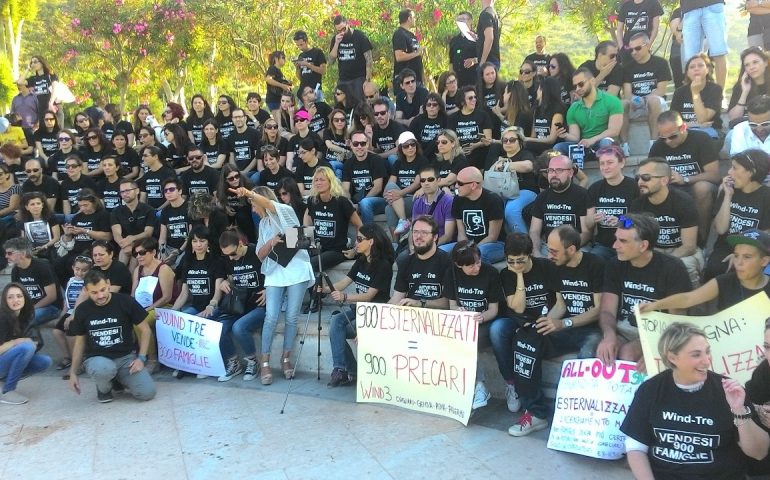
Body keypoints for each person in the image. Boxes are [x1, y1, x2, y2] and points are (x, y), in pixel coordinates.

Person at [621, 322, 769, 478]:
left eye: (708, 352)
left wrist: (739, 410)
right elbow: (635, 448)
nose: (707, 361)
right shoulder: (651, 389)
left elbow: (758, 453)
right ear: (672, 357)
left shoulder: (728, 390)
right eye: (696, 354)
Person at [507, 225, 605, 436]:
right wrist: (544, 322)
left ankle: (581, 422)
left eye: (554, 251)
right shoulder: (556, 266)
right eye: (548, 249)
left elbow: (599, 310)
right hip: (566, 328)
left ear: (571, 249)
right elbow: (561, 304)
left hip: (592, 330)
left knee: (588, 354)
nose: (548, 254)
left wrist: (565, 323)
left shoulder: (595, 264)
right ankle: (536, 413)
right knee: (525, 341)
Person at [230, 186, 314, 385]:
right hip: (275, 272)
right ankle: (265, 362)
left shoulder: (285, 210)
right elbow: (259, 255)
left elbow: (270, 206)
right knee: (271, 317)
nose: (253, 210)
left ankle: (286, 360)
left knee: (292, 317)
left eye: (253, 205)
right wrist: (271, 243)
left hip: (297, 270)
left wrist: (249, 193)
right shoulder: (264, 224)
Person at [595, 213, 692, 367]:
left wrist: (657, 350)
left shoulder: (672, 268)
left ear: (643, 246)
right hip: (623, 328)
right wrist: (609, 336)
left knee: (627, 355)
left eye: (623, 241)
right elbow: (607, 311)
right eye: (616, 239)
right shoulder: (614, 264)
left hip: (657, 332)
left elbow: (677, 321)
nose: (615, 245)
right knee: (600, 352)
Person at [489, 233, 556, 416]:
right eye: (511, 261)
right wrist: (519, 275)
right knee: (497, 330)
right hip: (518, 321)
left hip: (544, 320)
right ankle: (511, 384)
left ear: (530, 255)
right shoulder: (507, 273)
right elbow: (518, 307)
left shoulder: (546, 267)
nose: (516, 265)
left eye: (521, 261)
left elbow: (558, 300)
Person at [68, 270, 156, 403]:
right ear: (86, 290)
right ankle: (104, 388)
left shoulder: (125, 301)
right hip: (98, 359)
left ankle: (117, 380)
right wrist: (73, 372)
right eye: (94, 292)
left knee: (147, 393)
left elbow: (145, 330)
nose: (100, 295)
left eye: (103, 289)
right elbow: (79, 342)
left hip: (126, 358)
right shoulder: (82, 310)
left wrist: (141, 358)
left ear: (108, 284)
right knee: (103, 369)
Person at [641, 229, 770, 318]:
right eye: (736, 256)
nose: (739, 263)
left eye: (747, 257)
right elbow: (688, 298)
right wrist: (655, 305)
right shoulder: (724, 281)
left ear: (764, 261)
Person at [324, 223, 394, 387]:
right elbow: (344, 282)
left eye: (360, 239)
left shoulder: (384, 265)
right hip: (359, 311)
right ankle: (341, 370)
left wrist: (345, 296)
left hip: (375, 314)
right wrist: (325, 289)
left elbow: (369, 296)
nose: (356, 243)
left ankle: (350, 371)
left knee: (337, 327)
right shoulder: (361, 260)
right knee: (335, 321)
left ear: (371, 241)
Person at [443, 240, 502, 411]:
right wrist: (459, 311)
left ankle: (479, 386)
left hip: (485, 321)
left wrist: (480, 318)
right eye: (470, 266)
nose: (476, 268)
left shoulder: (490, 273)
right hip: (463, 322)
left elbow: (493, 309)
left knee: (468, 339)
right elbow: (452, 305)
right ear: (458, 265)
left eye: (478, 262)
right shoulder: (452, 274)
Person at [650, 111, 720, 246]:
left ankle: (701, 241)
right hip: (670, 188)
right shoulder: (658, 145)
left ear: (683, 128)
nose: (668, 141)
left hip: (695, 186)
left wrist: (685, 179)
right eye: (663, 137)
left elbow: (714, 175)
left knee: (702, 188)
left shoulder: (701, 139)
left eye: (672, 136)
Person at [630, 157, 703, 287]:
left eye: (646, 177)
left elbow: (689, 246)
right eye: (638, 178)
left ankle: (693, 305)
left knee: (685, 267)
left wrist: (663, 262)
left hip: (681, 251)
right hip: (652, 250)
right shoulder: (637, 204)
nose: (640, 182)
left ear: (664, 180)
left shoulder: (684, 202)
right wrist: (622, 223)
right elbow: (629, 231)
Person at [707, 149, 770, 280]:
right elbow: (721, 228)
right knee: (716, 267)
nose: (729, 172)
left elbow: (765, 236)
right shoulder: (728, 190)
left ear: (752, 172)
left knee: (745, 271)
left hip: (755, 249)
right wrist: (727, 196)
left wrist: (741, 255)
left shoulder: (766, 196)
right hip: (726, 246)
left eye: (735, 168)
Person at [554, 68, 623, 162]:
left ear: (592, 81)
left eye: (581, 84)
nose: (577, 89)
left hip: (605, 144)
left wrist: (592, 140)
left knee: (605, 142)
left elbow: (614, 131)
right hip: (585, 146)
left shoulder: (612, 101)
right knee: (558, 147)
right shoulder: (574, 108)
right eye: (575, 86)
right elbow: (575, 138)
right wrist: (565, 135)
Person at [439, 166, 505, 263]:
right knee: (441, 252)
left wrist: (471, 250)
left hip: (495, 245)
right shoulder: (458, 200)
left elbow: (492, 236)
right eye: (456, 182)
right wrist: (466, 247)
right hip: (467, 244)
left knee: (479, 253)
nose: (456, 186)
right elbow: (461, 233)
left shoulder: (493, 200)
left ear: (473, 185)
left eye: (460, 183)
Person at [0, 283, 52, 405]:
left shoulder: (27, 315)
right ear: (4, 300)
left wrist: (27, 343)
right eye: (10, 297)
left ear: (25, 298)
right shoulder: (2, 317)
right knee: (26, 347)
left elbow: (36, 342)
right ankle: (8, 391)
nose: (15, 300)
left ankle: (3, 382)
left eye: (19, 296)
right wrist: (15, 342)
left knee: (45, 361)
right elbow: (25, 345)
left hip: (6, 361)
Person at [529, 155, 590, 257]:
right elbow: (534, 231)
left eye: (559, 170)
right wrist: (536, 251)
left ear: (570, 173)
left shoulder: (582, 195)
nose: (554, 174)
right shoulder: (542, 197)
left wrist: (564, 250)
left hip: (575, 247)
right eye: (551, 170)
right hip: (548, 248)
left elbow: (586, 233)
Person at [620, 33, 672, 153]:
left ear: (648, 46)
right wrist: (637, 100)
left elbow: (661, 90)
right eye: (631, 49)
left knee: (653, 100)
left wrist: (645, 99)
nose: (634, 52)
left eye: (637, 48)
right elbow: (627, 94)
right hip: (635, 102)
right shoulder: (627, 67)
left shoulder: (661, 63)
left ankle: (653, 143)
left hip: (656, 101)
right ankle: (625, 145)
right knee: (622, 104)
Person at [586, 145, 639, 260]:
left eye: (610, 162)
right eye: (602, 163)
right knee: (592, 260)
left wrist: (622, 223)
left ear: (622, 163)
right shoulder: (595, 188)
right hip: (603, 245)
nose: (605, 167)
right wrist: (593, 219)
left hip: (630, 243)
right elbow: (588, 224)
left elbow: (641, 223)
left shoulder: (634, 187)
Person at [130, 238, 174, 373]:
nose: (139, 256)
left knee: (140, 322)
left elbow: (167, 296)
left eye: (142, 253)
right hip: (141, 307)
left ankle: (152, 360)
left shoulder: (163, 269)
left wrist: (149, 308)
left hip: (163, 306)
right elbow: (133, 292)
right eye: (136, 254)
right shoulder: (138, 269)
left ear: (153, 252)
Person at [388, 215, 451, 308]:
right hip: (410, 317)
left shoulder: (446, 261)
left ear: (435, 237)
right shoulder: (406, 261)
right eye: (415, 232)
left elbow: (449, 303)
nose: (418, 236)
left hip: (437, 318)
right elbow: (397, 298)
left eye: (424, 233)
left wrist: (421, 303)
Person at [485, 126, 538, 234]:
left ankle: (524, 243)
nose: (508, 142)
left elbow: (528, 166)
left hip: (525, 191)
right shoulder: (498, 158)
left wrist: (504, 165)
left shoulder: (525, 154)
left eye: (512, 140)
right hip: (503, 192)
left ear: (520, 141)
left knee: (511, 210)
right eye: (505, 140)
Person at [5, 237, 62, 327]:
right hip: (28, 308)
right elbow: (15, 294)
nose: (6, 256)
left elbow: (51, 297)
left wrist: (30, 309)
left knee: (24, 319)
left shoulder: (42, 267)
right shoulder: (15, 270)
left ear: (22, 254)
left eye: (10, 253)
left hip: (51, 307)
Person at [51, 255, 92, 373]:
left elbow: (84, 301)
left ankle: (77, 362)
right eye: (77, 269)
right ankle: (68, 357)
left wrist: (72, 315)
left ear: (89, 271)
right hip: (69, 311)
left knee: (70, 334)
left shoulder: (87, 283)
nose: (80, 272)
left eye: (84, 270)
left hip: (81, 313)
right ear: (73, 267)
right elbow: (67, 300)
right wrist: (63, 315)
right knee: (57, 332)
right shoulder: (70, 280)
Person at [670, 53, 724, 140]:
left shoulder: (715, 89)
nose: (696, 69)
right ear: (687, 73)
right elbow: (673, 122)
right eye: (692, 67)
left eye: (700, 66)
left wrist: (695, 93)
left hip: (710, 132)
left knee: (700, 138)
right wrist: (696, 125)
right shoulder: (679, 92)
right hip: (685, 130)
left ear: (707, 70)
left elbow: (703, 119)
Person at [385, 131, 428, 237]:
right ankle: (396, 243)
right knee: (388, 207)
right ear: (401, 149)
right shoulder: (398, 162)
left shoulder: (422, 161)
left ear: (416, 145)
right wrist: (387, 195)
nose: (410, 148)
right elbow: (391, 182)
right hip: (399, 198)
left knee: (390, 207)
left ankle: (403, 220)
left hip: (415, 197)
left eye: (412, 144)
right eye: (406, 146)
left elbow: (417, 183)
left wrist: (399, 194)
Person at [341, 131, 386, 225]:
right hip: (356, 201)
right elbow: (345, 189)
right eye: (356, 144)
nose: (359, 147)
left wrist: (360, 204)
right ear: (351, 145)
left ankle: (368, 235)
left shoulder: (376, 160)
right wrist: (349, 203)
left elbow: (378, 187)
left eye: (362, 143)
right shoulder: (348, 164)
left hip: (377, 200)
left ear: (367, 144)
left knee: (365, 203)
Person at [681, 0, 728, 88]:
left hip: (713, 4)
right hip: (689, 8)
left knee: (719, 53)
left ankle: (719, 96)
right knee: (691, 60)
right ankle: (696, 97)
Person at [110, 179, 157, 265]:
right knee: (125, 252)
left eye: (127, 190)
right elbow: (116, 233)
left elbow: (148, 233)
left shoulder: (148, 210)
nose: (124, 194)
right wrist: (124, 245)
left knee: (136, 254)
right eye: (122, 192)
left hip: (143, 244)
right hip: (124, 246)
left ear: (137, 191)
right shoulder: (116, 211)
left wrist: (132, 239)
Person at [328, 15, 373, 103]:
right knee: (340, 105)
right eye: (339, 30)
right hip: (343, 79)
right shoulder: (336, 39)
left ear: (348, 24)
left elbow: (369, 59)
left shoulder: (360, 36)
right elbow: (330, 61)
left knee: (359, 106)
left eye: (344, 29)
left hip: (358, 79)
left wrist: (367, 81)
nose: (342, 32)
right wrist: (336, 44)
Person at [447, 86, 493, 170]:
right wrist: (459, 149)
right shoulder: (453, 118)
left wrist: (475, 146)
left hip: (480, 159)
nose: (474, 99)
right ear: (462, 101)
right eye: (470, 98)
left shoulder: (483, 115)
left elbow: (488, 139)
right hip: (459, 160)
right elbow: (449, 140)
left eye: (475, 97)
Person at [728, 47, 770, 128]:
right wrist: (744, 92)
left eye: (755, 62)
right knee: (730, 136)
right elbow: (733, 119)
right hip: (747, 128)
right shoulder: (740, 87)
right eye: (747, 65)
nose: (751, 67)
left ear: (765, 62)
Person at [217, 165, 257, 243]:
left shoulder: (248, 184)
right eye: (231, 178)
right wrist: (225, 207)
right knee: (220, 215)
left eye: (237, 176)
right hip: (230, 211)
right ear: (225, 180)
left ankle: (252, 242)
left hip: (246, 210)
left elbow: (255, 200)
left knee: (242, 216)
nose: (235, 180)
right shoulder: (222, 188)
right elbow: (219, 202)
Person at [18, 191, 61, 259]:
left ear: (42, 205)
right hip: (32, 249)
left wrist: (44, 247)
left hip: (50, 247)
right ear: (27, 207)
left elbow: (56, 237)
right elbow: (23, 239)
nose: (36, 206)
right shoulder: (23, 221)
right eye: (32, 204)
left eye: (38, 203)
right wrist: (30, 250)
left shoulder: (51, 217)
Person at [392, 9, 424, 93]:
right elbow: (399, 56)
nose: (415, 19)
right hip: (406, 80)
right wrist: (417, 53)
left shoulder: (411, 35)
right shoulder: (399, 34)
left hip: (416, 78)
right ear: (409, 18)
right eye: (414, 17)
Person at [158, 178, 188, 267]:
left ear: (180, 191)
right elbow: (162, 237)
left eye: (171, 189)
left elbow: (191, 236)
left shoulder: (189, 208)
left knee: (179, 265)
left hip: (186, 247)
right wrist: (162, 253)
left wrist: (179, 251)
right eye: (165, 190)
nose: (168, 192)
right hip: (169, 248)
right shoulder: (165, 211)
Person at [138, 145, 176, 211]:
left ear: (155, 157)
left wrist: (158, 210)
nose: (142, 159)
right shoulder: (146, 176)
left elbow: (173, 196)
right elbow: (143, 198)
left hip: (167, 211)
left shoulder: (168, 173)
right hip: (151, 212)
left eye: (145, 156)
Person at [370, 99, 406, 167]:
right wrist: (369, 138)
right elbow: (372, 150)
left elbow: (399, 149)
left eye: (382, 113)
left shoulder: (397, 127)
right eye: (376, 114)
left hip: (397, 161)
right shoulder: (373, 129)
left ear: (388, 113)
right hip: (382, 162)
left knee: (392, 158)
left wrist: (379, 156)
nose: (379, 116)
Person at [292, 30, 327, 98]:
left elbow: (323, 71)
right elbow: (300, 77)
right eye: (297, 45)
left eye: (301, 44)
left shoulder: (318, 52)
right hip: (303, 91)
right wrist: (297, 68)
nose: (300, 47)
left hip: (316, 90)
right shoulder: (301, 55)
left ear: (306, 41)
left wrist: (307, 64)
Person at [449, 12, 478, 88]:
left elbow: (485, 57)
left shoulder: (478, 38)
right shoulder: (454, 40)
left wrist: (474, 60)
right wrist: (451, 79)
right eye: (459, 20)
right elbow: (451, 62)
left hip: (474, 81)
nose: (461, 22)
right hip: (458, 82)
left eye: (463, 19)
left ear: (470, 21)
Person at [265, 51, 292, 117]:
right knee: (278, 121)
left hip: (279, 99)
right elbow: (268, 79)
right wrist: (282, 85)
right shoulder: (272, 68)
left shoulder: (278, 70)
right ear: (276, 59)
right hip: (273, 99)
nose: (284, 60)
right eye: (283, 58)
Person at [476, 0, 500, 68]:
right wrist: (476, 36)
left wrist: (482, 62)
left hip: (488, 62)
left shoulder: (486, 14)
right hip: (493, 60)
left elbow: (490, 38)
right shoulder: (494, 14)